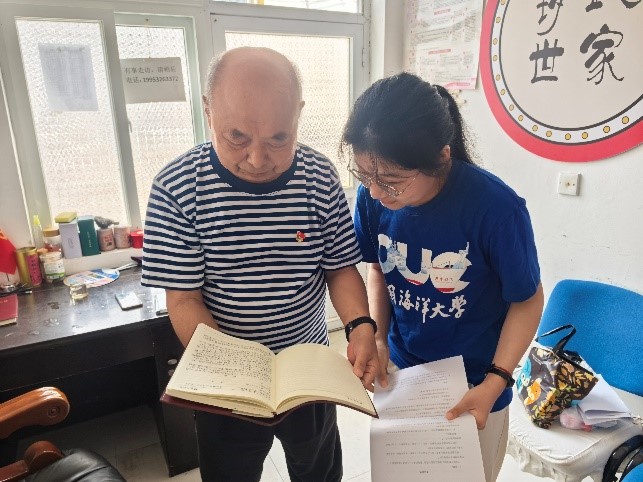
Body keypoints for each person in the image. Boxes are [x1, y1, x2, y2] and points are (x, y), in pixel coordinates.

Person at [142, 47, 379, 482]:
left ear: (298, 115)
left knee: (318, 469)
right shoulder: (177, 188)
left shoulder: (319, 177)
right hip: (226, 380)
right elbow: (184, 298)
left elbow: (340, 268)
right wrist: (234, 371)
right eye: (237, 137)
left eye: (278, 139)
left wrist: (361, 326)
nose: (256, 159)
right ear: (208, 112)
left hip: (308, 370)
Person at [342, 72, 544, 482]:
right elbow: (378, 267)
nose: (375, 193)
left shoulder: (496, 209)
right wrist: (378, 337)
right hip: (404, 376)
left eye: (392, 182)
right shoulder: (373, 197)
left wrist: (495, 381)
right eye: (364, 175)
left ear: (442, 157)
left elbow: (527, 300)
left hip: (476, 383)